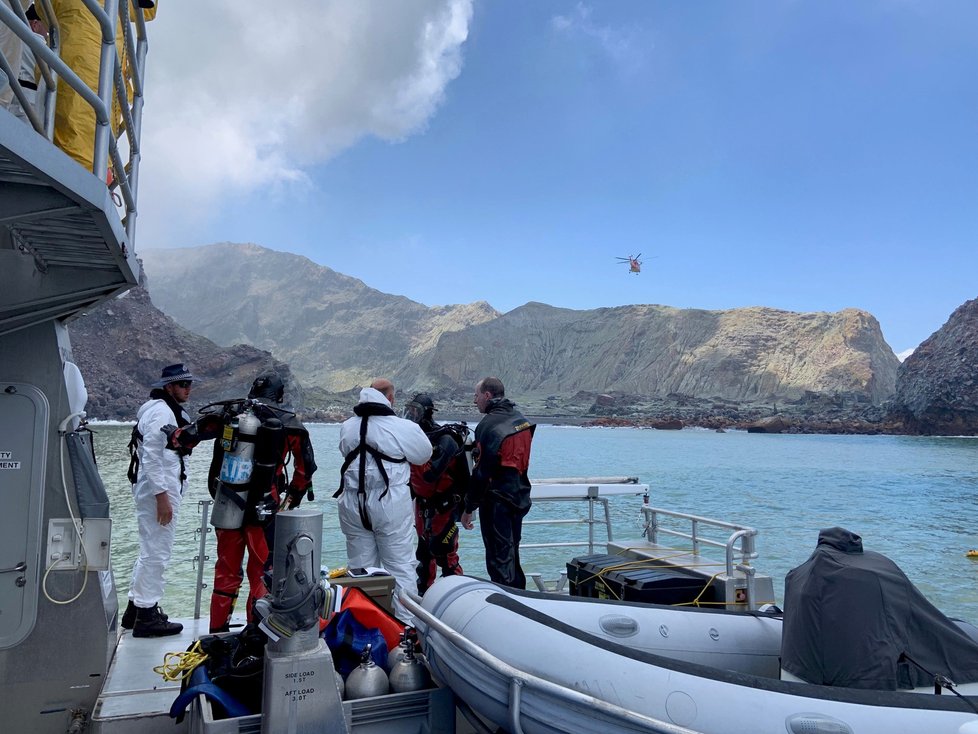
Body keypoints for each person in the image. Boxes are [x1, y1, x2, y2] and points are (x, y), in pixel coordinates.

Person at [206, 370, 317, 633]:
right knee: (262, 573)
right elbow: (305, 471)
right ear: (279, 395)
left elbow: (190, 438)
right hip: (264, 511)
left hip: (228, 507)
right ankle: (254, 634)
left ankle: (216, 632)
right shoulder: (289, 423)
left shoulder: (232, 417)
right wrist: (290, 501)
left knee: (226, 573)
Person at [336, 379, 432, 622]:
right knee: (400, 567)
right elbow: (423, 455)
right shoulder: (402, 427)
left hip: (352, 503)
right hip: (389, 503)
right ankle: (405, 631)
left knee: (360, 570)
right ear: (391, 398)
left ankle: (364, 627)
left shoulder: (347, 426)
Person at [122, 363, 195, 637]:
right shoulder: (163, 411)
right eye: (183, 385)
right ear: (169, 387)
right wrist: (162, 497)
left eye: (189, 384)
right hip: (158, 489)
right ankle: (148, 615)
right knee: (158, 552)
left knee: (149, 548)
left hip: (156, 487)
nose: (188, 389)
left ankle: (135, 609)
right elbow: (151, 456)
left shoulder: (156, 408)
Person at [461, 377, 535, 589]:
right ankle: (521, 597)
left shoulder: (488, 425)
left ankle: (508, 605)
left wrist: (468, 507)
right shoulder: (521, 420)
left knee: (499, 559)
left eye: (476, 396)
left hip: (497, 502)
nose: (475, 402)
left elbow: (482, 472)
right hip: (519, 497)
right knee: (513, 552)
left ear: (487, 395)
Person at [403, 393, 471, 593]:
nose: (411, 415)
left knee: (445, 553)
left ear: (427, 413)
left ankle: (458, 596)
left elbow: (430, 475)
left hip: (443, 506)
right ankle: (424, 596)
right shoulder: (417, 439)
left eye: (415, 411)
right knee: (424, 554)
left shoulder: (446, 439)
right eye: (409, 410)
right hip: (423, 505)